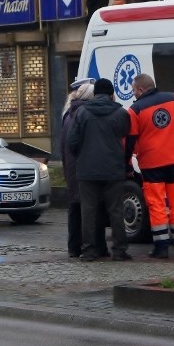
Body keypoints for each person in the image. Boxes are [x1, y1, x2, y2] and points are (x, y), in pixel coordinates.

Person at [126, 74, 174, 259]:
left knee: (156, 205)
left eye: (134, 90)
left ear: (140, 89)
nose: (134, 94)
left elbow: (130, 140)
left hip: (151, 164)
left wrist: (127, 164)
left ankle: (161, 247)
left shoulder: (135, 110)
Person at [67, 78, 131, 262]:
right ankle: (119, 250)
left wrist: (83, 156)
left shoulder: (81, 113)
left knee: (88, 211)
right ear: (112, 95)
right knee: (116, 210)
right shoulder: (120, 113)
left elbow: (72, 142)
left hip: (87, 171)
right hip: (113, 170)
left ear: (94, 95)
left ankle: (89, 251)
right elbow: (125, 133)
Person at [61, 78, 108, 258]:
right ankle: (92, 246)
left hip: (72, 166)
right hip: (83, 166)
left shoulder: (68, 112)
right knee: (90, 208)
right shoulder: (82, 113)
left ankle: (74, 246)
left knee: (75, 207)